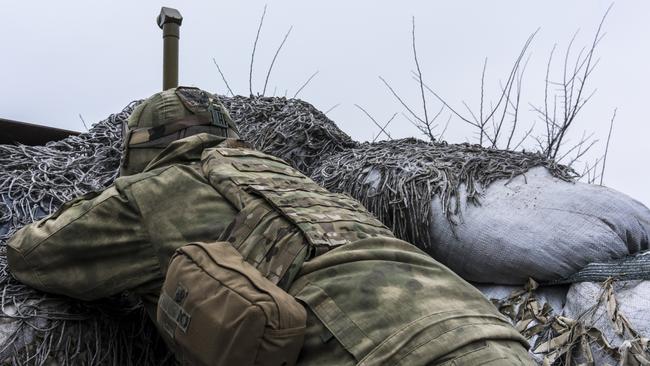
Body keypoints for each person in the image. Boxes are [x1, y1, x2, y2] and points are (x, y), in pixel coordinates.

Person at [7, 87, 533, 365]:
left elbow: (34, 256)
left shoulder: (155, 191)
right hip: (493, 336)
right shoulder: (291, 177)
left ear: (142, 150)